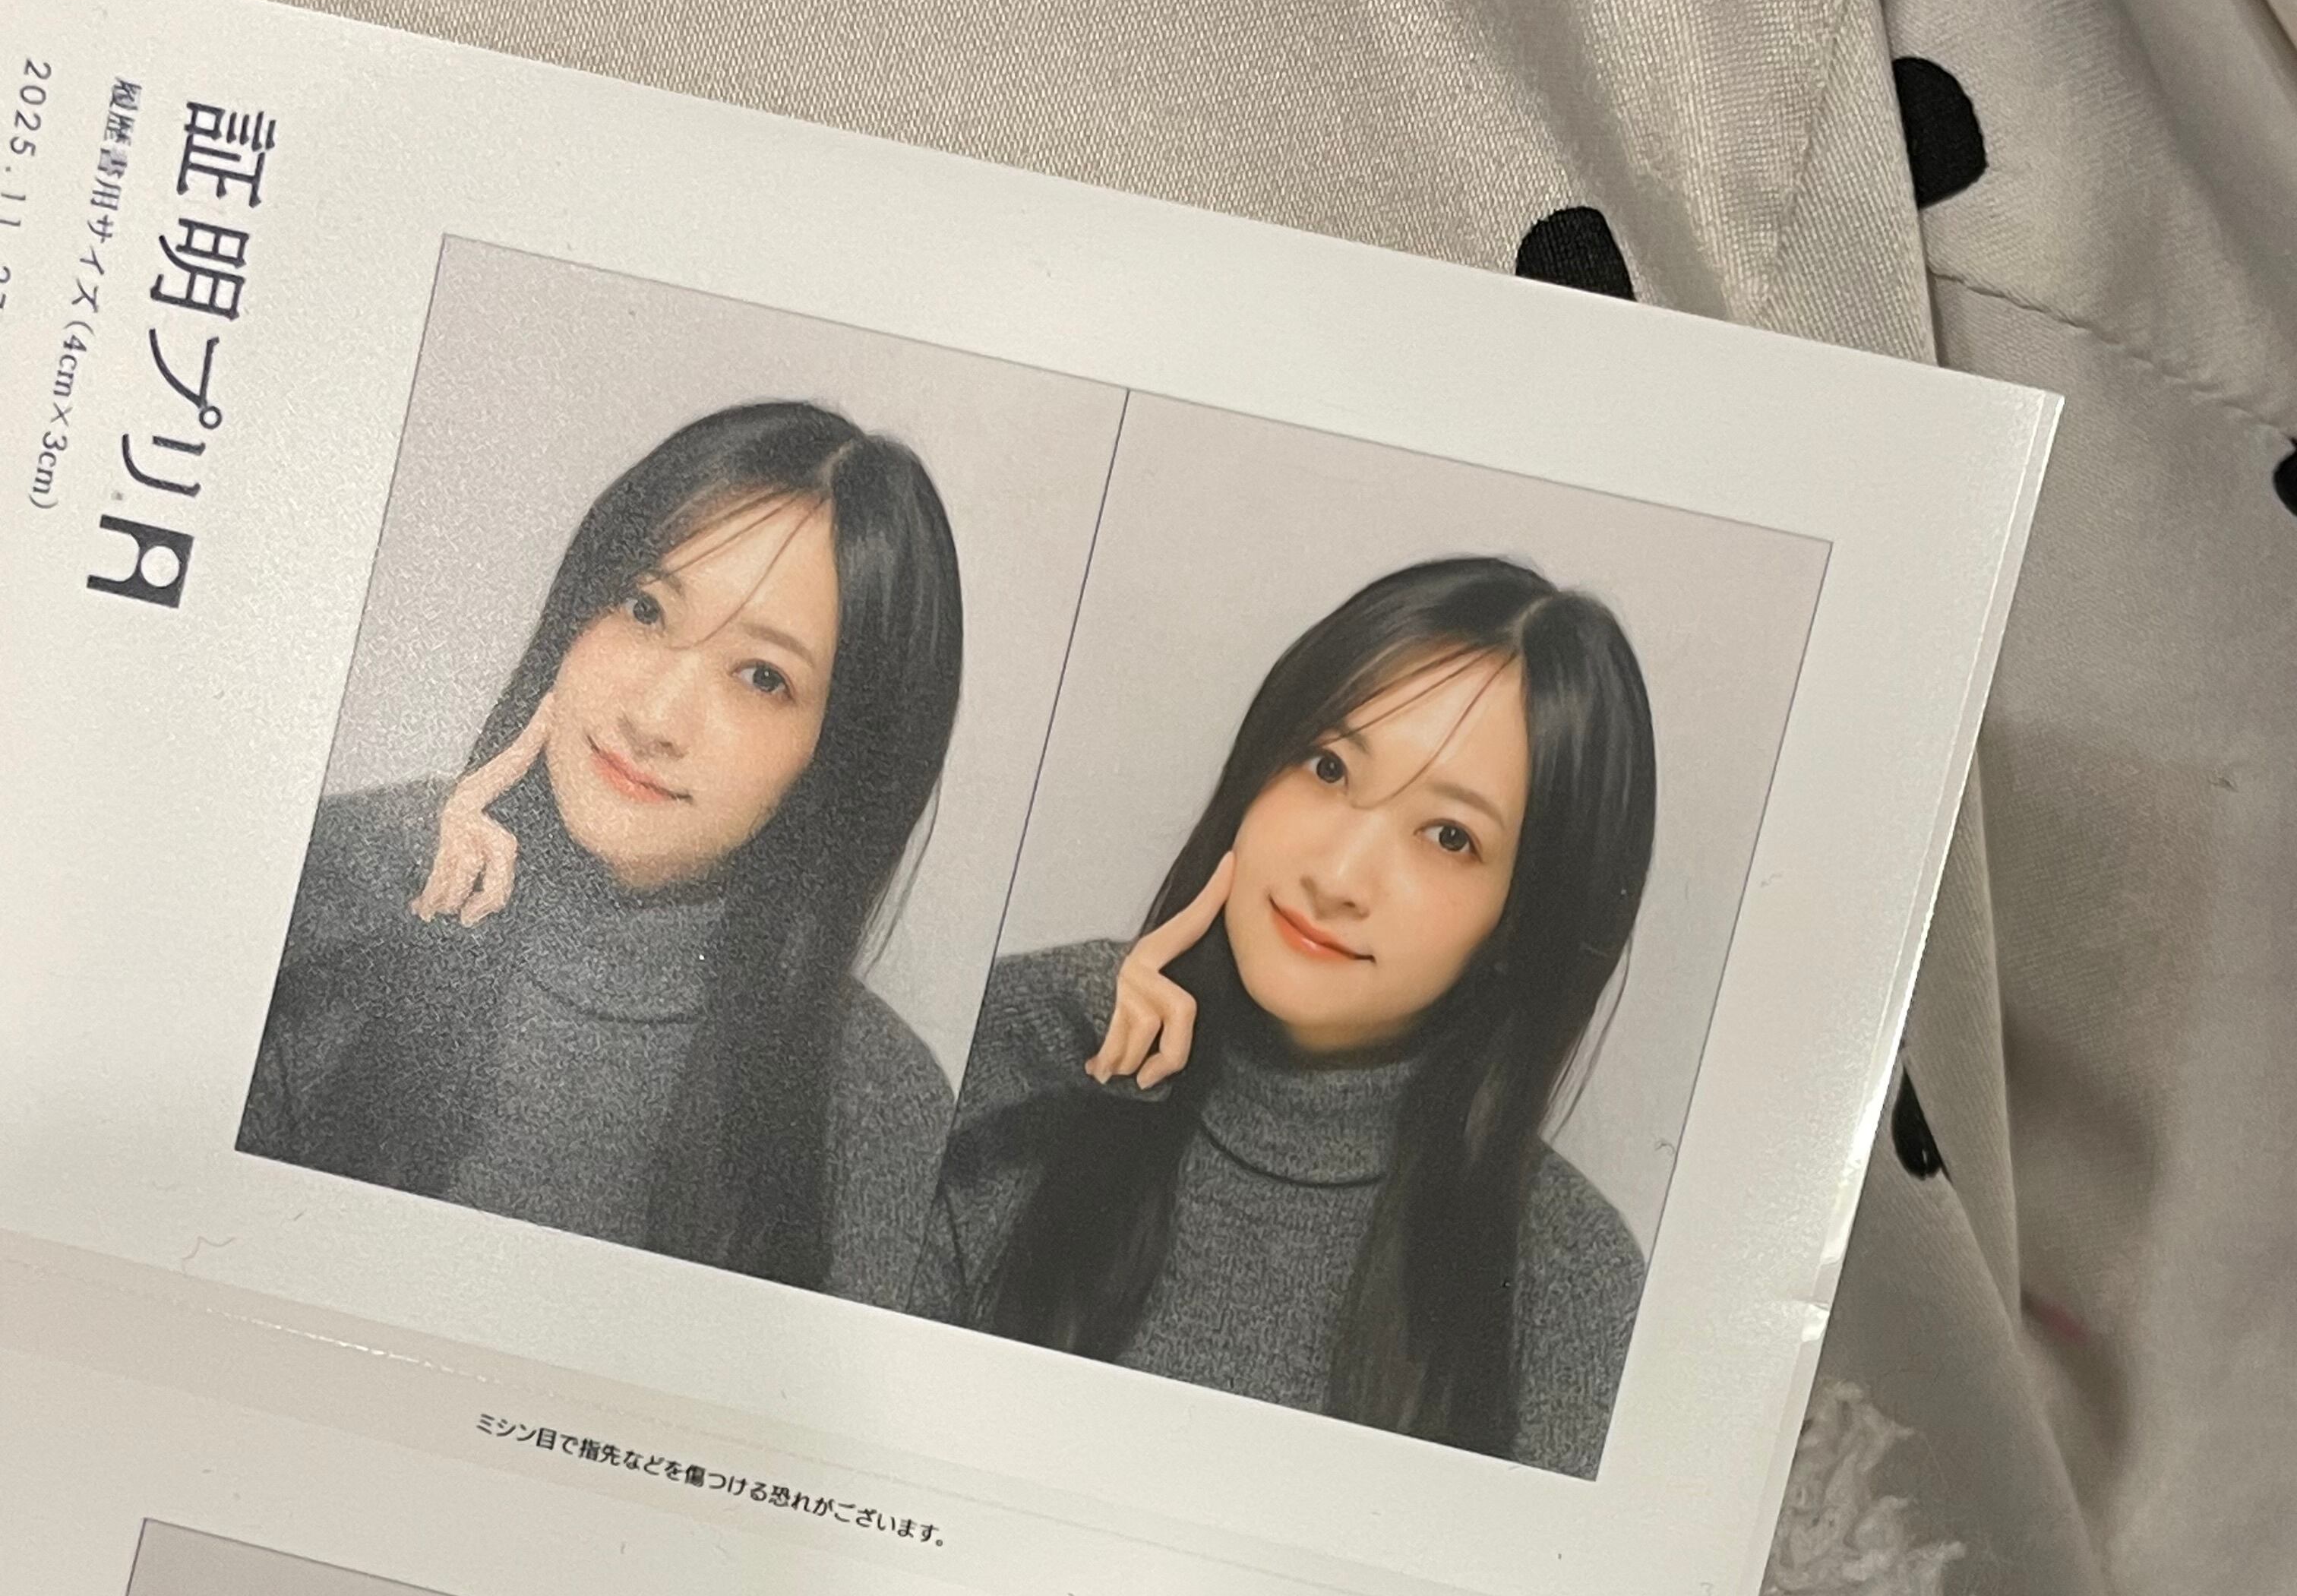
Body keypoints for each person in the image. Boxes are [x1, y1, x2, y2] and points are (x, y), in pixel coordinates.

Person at [915, 554, 1657, 1472]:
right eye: (1329, 766)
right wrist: (1037, 1024)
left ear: (1523, 920)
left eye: (1450, 836)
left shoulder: (1572, 1283)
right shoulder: (1028, 1077)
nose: (1337, 876)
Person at [240, 400, 965, 1306]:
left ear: (842, 758)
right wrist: (359, 886)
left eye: (762, 677)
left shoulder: (881, 1109)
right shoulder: (332, 879)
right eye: (646, 608)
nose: (653, 718)